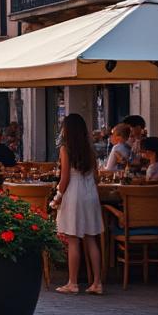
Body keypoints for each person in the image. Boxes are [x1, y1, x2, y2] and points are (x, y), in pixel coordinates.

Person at [53, 113, 103, 295]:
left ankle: (72, 283)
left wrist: (57, 196)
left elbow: (64, 178)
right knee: (91, 238)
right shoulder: (90, 149)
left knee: (73, 239)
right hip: (90, 193)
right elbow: (96, 176)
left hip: (74, 194)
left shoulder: (66, 149)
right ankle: (97, 282)